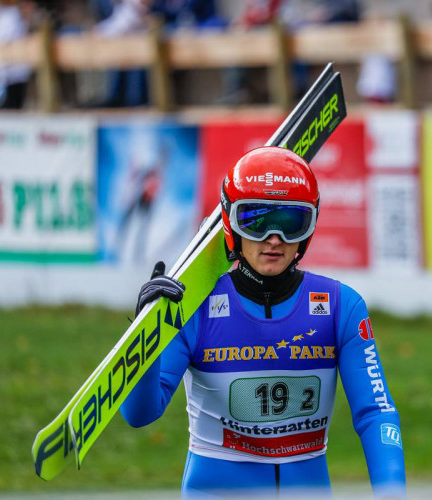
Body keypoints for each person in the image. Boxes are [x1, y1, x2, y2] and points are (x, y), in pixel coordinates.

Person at [121, 147, 406, 498]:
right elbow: (139, 413)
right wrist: (145, 335)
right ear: (230, 224)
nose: (274, 239)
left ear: (309, 228)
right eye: (256, 220)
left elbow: (376, 412)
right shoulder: (193, 308)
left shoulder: (340, 307)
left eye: (290, 223)